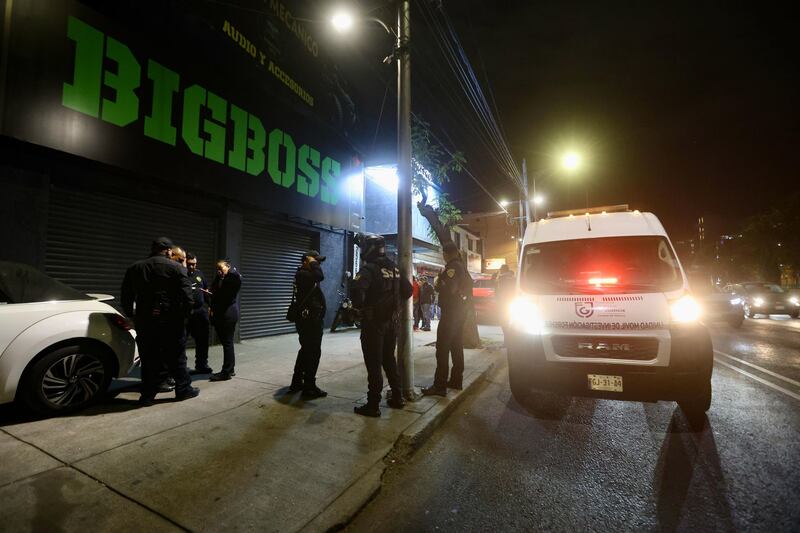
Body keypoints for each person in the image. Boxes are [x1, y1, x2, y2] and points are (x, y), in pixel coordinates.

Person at [120, 237, 199, 405]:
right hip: (171, 320)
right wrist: (184, 317)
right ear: (169, 251)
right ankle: (183, 390)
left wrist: (132, 316)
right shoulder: (177, 268)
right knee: (177, 356)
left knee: (148, 358)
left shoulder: (135, 268)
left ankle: (147, 396)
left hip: (145, 320)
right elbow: (188, 297)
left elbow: (126, 296)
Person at [351, 233, 412, 417]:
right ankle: (398, 397)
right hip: (391, 324)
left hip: (374, 324)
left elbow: (357, 292)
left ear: (369, 248)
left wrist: (360, 308)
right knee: (389, 360)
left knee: (374, 364)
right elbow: (408, 291)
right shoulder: (394, 268)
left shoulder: (368, 269)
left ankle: (373, 405)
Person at [422, 243, 473, 396]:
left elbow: (450, 288)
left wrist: (438, 282)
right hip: (460, 313)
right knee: (456, 346)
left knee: (442, 349)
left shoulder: (453, 268)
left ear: (446, 253)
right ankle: (456, 380)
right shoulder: (463, 267)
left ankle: (439, 386)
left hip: (450, 313)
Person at [289, 250, 328, 398]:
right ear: (306, 261)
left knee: (306, 350)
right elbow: (320, 276)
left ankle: (297, 382)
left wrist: (312, 261)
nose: (318, 264)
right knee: (313, 353)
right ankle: (309, 387)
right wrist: (311, 261)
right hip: (309, 321)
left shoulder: (304, 275)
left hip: (309, 320)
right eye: (315, 261)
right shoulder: (304, 274)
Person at [208, 259, 241, 382]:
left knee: (227, 343)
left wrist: (214, 294)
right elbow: (214, 289)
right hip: (222, 314)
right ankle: (230, 369)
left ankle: (226, 372)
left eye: (221, 269)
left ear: (228, 267)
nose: (219, 272)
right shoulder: (220, 278)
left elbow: (224, 295)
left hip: (228, 314)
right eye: (217, 269)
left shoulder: (233, 278)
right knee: (227, 343)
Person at [186, 252, 212, 374]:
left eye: (194, 264)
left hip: (200, 312)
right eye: (190, 264)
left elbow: (206, 290)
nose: (192, 267)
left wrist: (210, 306)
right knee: (180, 342)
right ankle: (179, 368)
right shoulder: (181, 273)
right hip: (185, 313)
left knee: (202, 340)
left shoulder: (199, 273)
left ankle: (202, 365)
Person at [494, 264, 516, 342]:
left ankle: (507, 341)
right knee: (511, 322)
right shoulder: (514, 278)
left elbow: (498, 290)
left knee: (504, 322)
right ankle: (511, 340)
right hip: (512, 302)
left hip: (504, 303)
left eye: (501, 270)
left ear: (503, 270)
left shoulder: (502, 278)